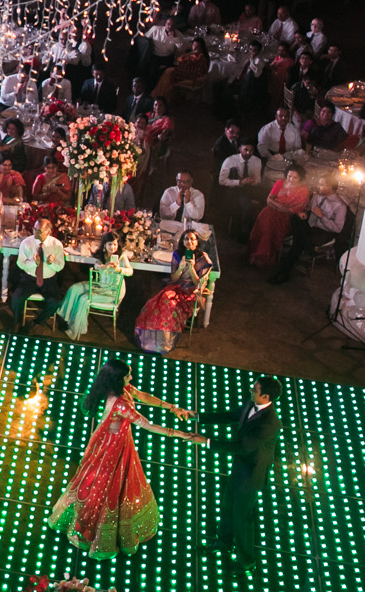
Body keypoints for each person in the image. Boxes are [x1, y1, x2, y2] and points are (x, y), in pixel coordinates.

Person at [48, 359, 200, 558]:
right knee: (103, 488)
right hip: (111, 450)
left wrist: (172, 407)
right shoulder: (119, 404)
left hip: (118, 441)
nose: (132, 378)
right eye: (128, 375)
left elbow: (141, 395)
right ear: (117, 378)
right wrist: (183, 435)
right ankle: (93, 533)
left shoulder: (118, 387)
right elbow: (147, 424)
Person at [203, 376, 281, 571]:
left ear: (265, 396)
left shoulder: (270, 423)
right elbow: (230, 415)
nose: (250, 391)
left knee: (242, 517)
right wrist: (198, 417)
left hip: (252, 473)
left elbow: (243, 447)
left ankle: (247, 561)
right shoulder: (251, 404)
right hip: (241, 466)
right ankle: (224, 541)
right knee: (228, 505)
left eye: (255, 389)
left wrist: (206, 442)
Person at [134, 232, 209, 354]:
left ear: (197, 242)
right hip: (176, 287)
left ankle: (164, 343)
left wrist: (191, 267)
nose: (189, 242)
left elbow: (198, 284)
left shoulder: (203, 258)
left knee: (169, 305)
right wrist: (180, 267)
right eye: (186, 239)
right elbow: (174, 278)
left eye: (192, 239)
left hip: (191, 292)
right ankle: (151, 342)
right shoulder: (178, 254)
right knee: (157, 302)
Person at [59, 235, 133, 340]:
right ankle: (66, 317)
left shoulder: (121, 257)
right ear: (105, 245)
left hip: (113, 292)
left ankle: (76, 329)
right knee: (75, 288)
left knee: (84, 299)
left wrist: (119, 269)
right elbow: (97, 266)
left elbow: (130, 271)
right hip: (100, 285)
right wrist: (103, 266)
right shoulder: (101, 256)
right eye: (110, 244)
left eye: (115, 244)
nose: (112, 247)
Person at [9, 218, 68, 331]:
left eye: (39, 231)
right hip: (29, 277)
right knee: (16, 298)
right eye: (34, 229)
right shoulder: (26, 243)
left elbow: (60, 267)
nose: (35, 232)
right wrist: (33, 263)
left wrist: (51, 263)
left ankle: (38, 322)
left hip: (48, 279)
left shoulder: (56, 245)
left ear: (48, 232)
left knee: (55, 302)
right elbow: (20, 264)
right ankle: (17, 320)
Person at [247, 167, 309, 269]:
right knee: (264, 226)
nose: (291, 179)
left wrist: (278, 206)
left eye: (295, 178)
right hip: (270, 211)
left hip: (285, 217)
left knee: (270, 229)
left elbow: (293, 210)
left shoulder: (303, 191)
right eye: (289, 176)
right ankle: (256, 254)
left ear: (300, 178)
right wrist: (278, 205)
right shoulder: (280, 183)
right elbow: (269, 199)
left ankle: (265, 257)